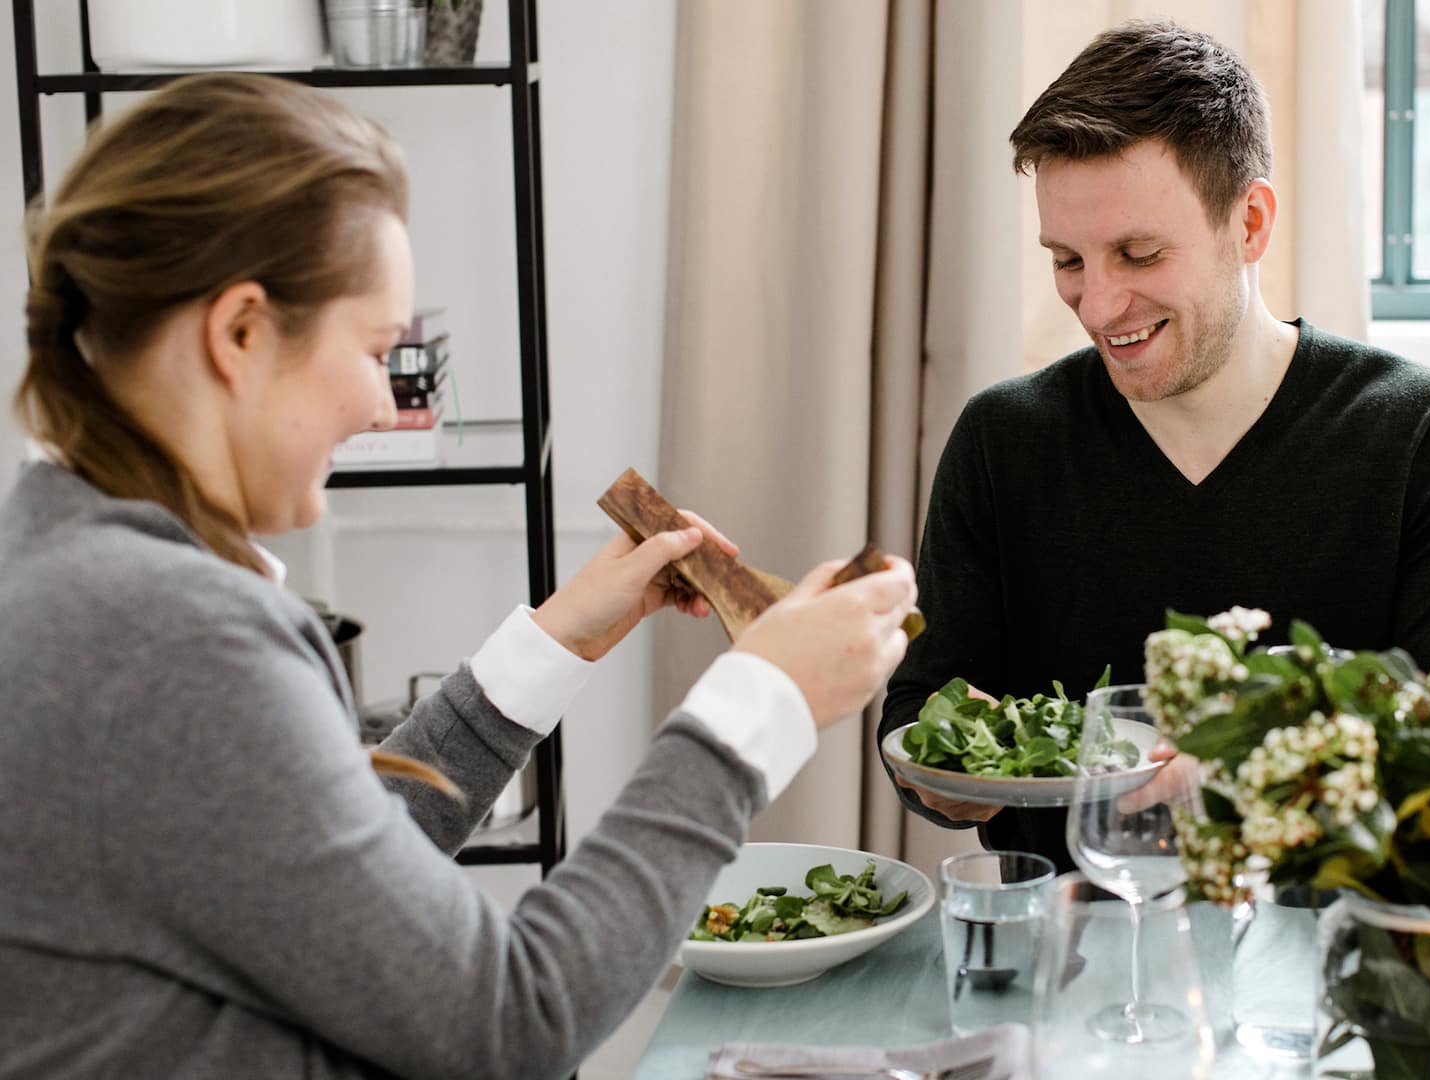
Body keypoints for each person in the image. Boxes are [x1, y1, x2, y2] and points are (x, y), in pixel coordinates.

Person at [0, 74, 916, 1079]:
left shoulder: (82, 573)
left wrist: (550, 646)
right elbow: (508, 1022)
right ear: (242, 333)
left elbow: (330, 887)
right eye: (377, 350)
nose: (380, 405)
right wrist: (758, 707)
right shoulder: (167, 637)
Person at [879, 20, 1430, 872]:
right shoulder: (1004, 440)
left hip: (1337, 934)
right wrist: (946, 764)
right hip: (1072, 933)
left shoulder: (1429, 436)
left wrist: (1255, 775)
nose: (1098, 306)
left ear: (1249, 223)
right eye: (1068, 260)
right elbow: (922, 704)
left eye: (1139, 254)